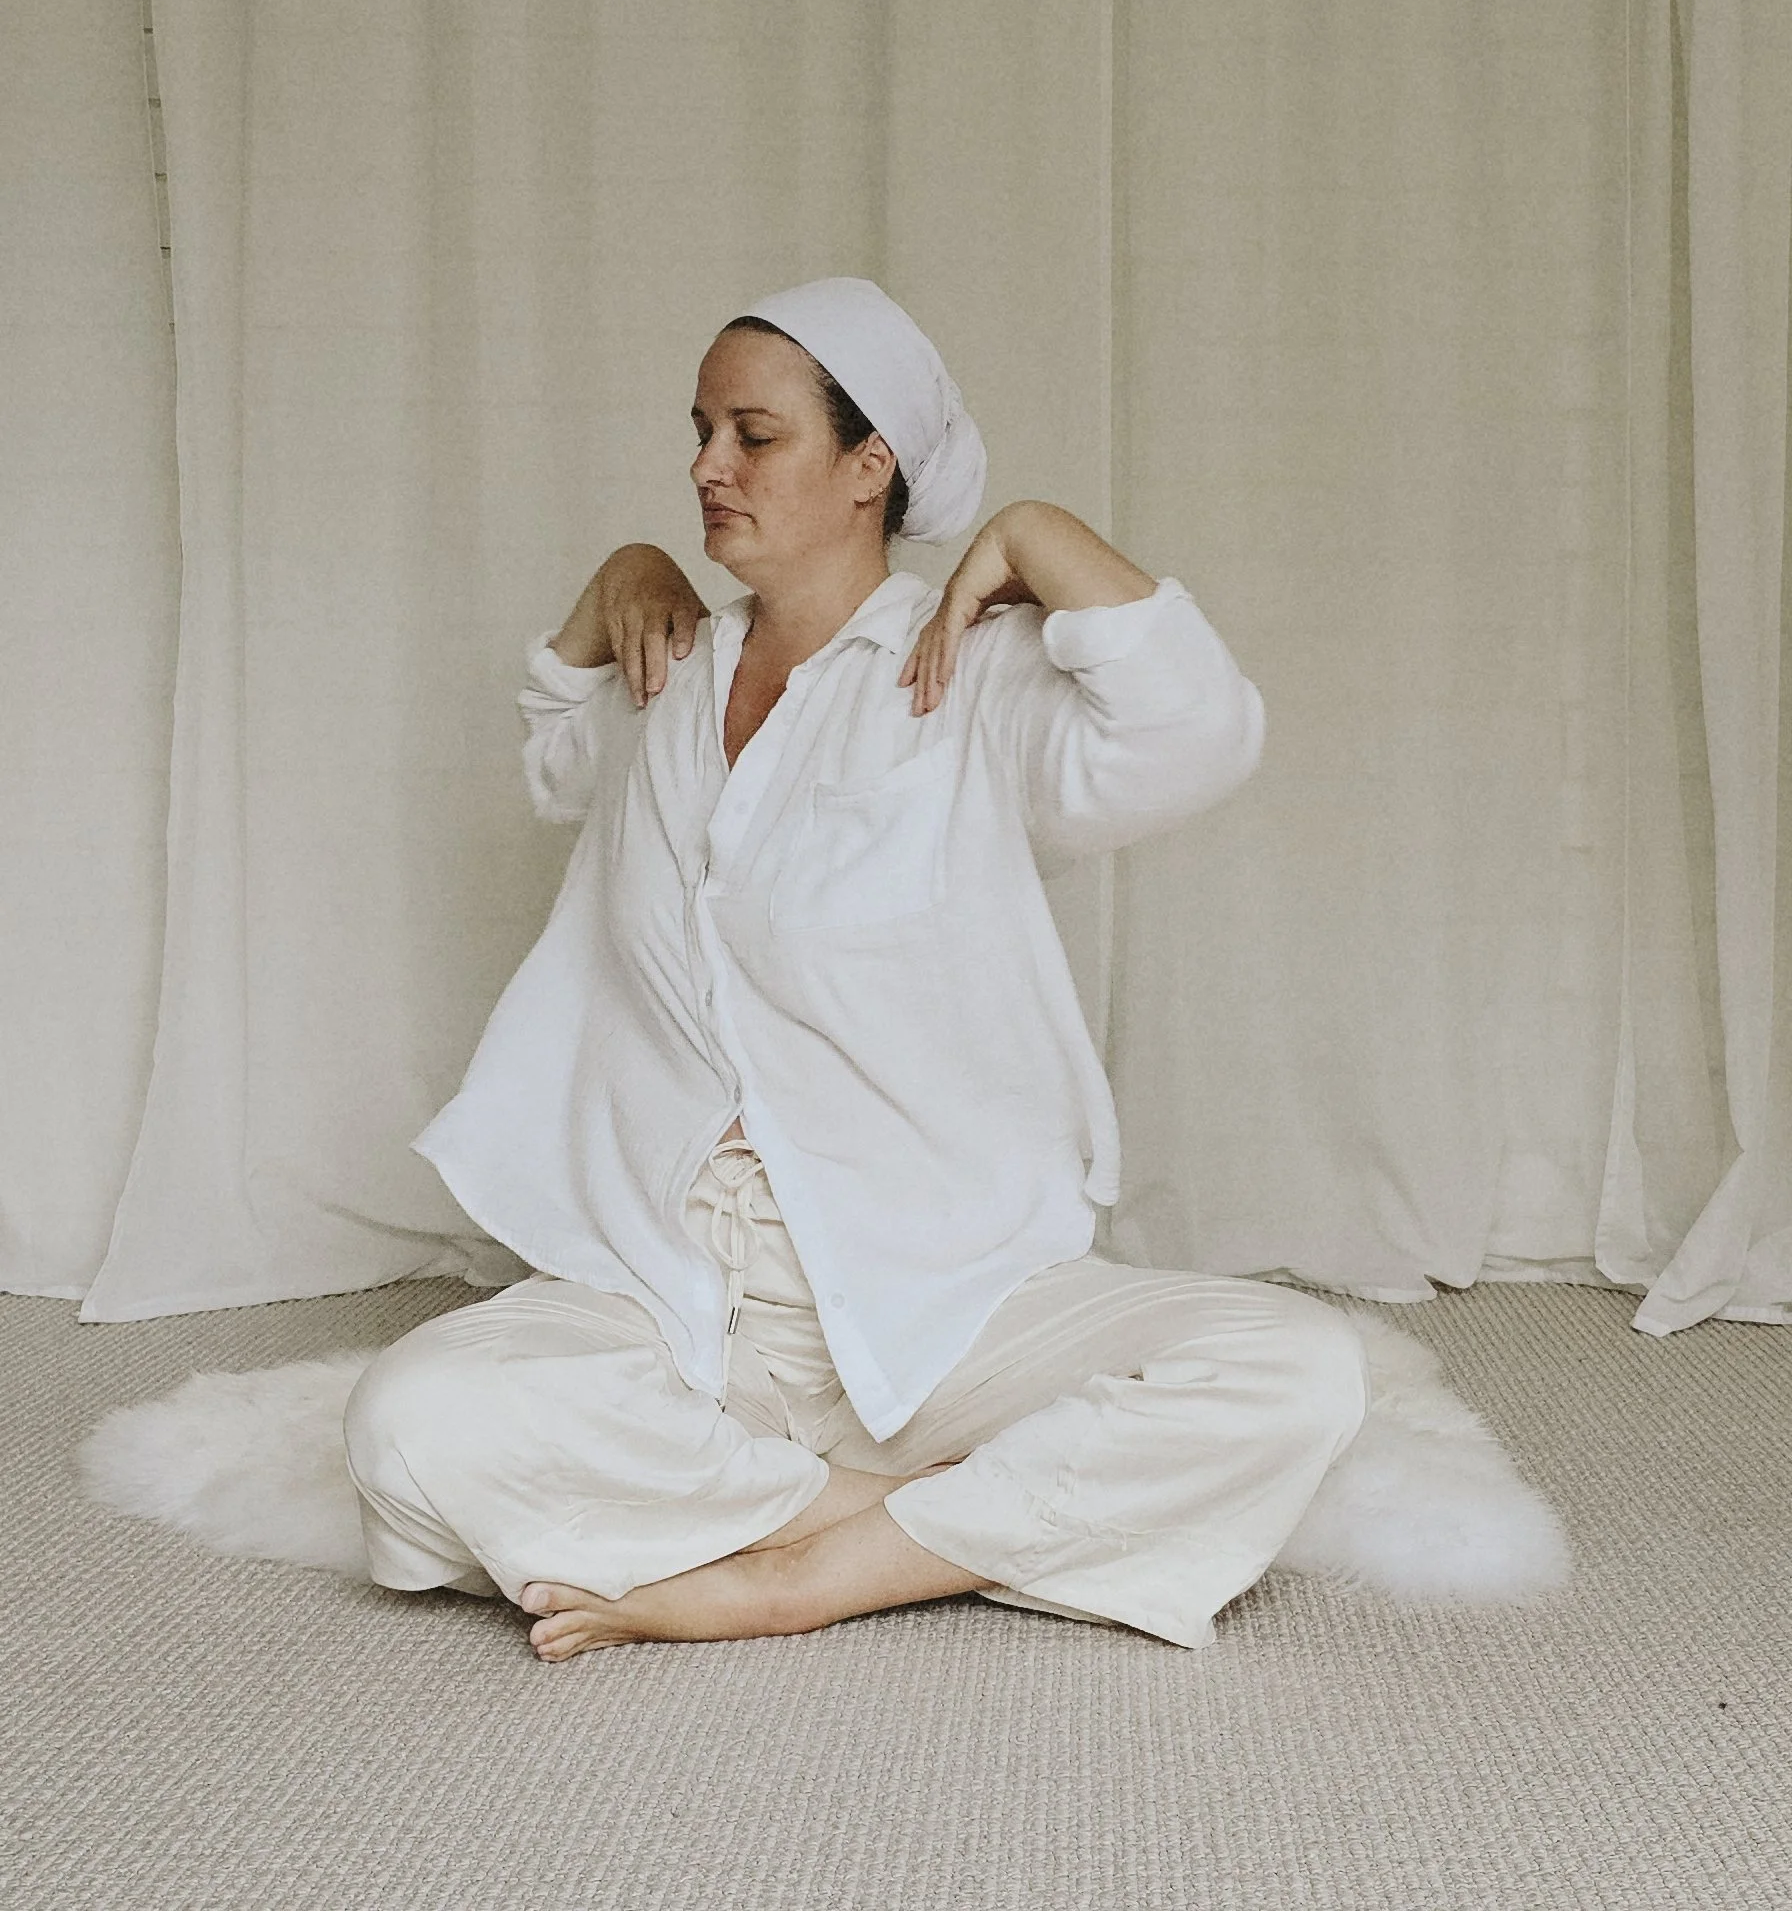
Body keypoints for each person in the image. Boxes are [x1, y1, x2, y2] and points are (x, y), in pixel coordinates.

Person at [343, 275, 1369, 1662]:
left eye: (754, 436)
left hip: (940, 1299)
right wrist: (616, 581)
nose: (708, 467)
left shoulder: (969, 674)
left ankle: (790, 1579)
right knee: (411, 1420)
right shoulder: (671, 674)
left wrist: (1039, 533)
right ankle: (898, 1519)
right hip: (679, 1295)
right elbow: (554, 752)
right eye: (701, 431)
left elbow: (1200, 729)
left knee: (1296, 1372)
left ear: (869, 462)